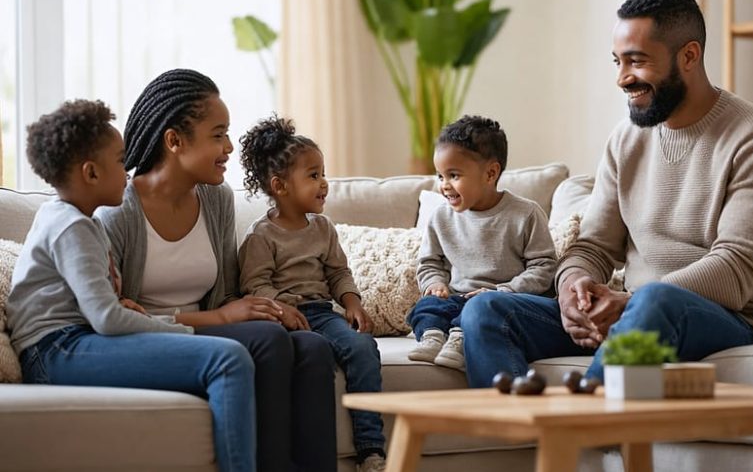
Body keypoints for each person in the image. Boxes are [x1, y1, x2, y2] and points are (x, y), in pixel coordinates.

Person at [462, 0, 753, 388]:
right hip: (637, 317)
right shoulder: (626, 139)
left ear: (689, 56)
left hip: (736, 321)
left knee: (657, 302)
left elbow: (737, 270)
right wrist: (574, 290)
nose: (623, 78)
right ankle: (521, 441)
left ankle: (581, 428)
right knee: (485, 311)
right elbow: (593, 246)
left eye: (637, 62)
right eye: (617, 62)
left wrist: (631, 302)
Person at [95, 69, 337, 472]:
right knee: (269, 340)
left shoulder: (216, 199)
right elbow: (119, 316)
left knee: (313, 347)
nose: (229, 147)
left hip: (210, 324)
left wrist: (258, 307)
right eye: (218, 134)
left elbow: (225, 292)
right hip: (158, 335)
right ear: (174, 141)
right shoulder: (118, 212)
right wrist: (222, 316)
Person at [7, 100, 258, 472]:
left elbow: (103, 305)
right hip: (55, 350)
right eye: (121, 160)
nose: (129, 172)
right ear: (91, 173)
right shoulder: (72, 226)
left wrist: (125, 307)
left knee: (223, 355)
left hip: (70, 341)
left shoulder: (77, 220)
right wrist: (180, 328)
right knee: (227, 358)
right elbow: (106, 319)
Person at [237, 116, 387, 472]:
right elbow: (255, 285)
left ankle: (370, 449)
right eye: (314, 175)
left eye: (323, 173)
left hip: (321, 313)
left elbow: (338, 272)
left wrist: (352, 302)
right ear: (280, 186)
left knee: (364, 348)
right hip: (282, 318)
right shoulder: (260, 236)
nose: (324, 183)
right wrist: (283, 310)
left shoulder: (323, 227)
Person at [407, 115, 558, 372]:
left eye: (453, 175)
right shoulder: (441, 217)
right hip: (455, 298)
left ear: (490, 173)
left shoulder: (525, 214)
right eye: (440, 176)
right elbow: (430, 262)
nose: (444, 186)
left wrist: (505, 290)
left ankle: (460, 337)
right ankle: (434, 336)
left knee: (474, 314)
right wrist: (435, 283)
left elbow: (544, 267)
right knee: (425, 307)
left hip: (499, 304)